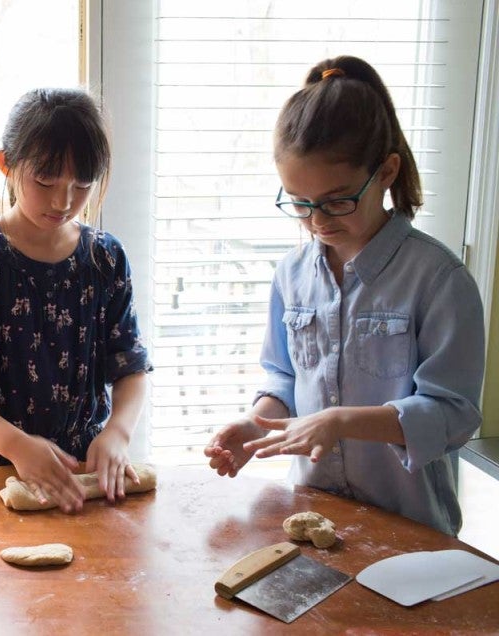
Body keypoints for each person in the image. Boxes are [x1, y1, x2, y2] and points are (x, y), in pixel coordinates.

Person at [203, 56, 485, 536]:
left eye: (337, 201)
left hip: (410, 531)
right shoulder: (291, 274)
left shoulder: (439, 279)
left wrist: (339, 420)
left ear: (387, 171)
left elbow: (453, 415)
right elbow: (285, 379)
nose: (317, 221)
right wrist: (257, 426)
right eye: (299, 203)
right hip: (315, 517)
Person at [0, 88, 152, 514]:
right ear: (5, 165)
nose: (63, 201)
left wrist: (118, 431)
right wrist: (17, 445)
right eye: (45, 181)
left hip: (83, 467)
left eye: (82, 185)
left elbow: (130, 366)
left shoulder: (105, 256)